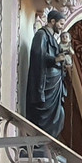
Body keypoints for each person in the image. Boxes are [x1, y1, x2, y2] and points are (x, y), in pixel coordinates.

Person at [25, 10, 69, 139]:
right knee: (43, 116)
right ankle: (38, 142)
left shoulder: (54, 40)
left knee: (59, 115)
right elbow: (38, 56)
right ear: (53, 21)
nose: (62, 27)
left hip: (55, 86)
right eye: (60, 23)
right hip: (45, 84)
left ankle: (46, 142)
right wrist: (55, 59)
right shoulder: (41, 35)